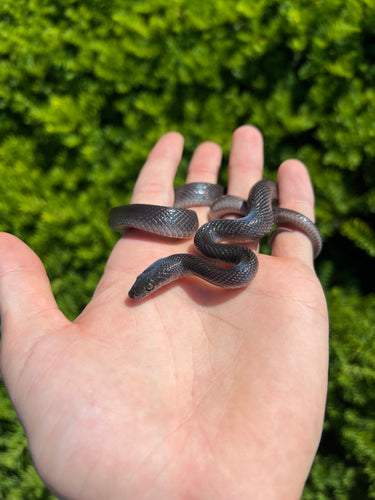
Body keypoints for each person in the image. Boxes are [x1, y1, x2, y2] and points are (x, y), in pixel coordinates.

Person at [0, 125, 329, 500]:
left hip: (229, 226)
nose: (144, 290)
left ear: (167, 276)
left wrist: (256, 209)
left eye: (148, 285)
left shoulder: (218, 247)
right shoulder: (205, 244)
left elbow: (231, 233)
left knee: (215, 225)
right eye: (146, 285)